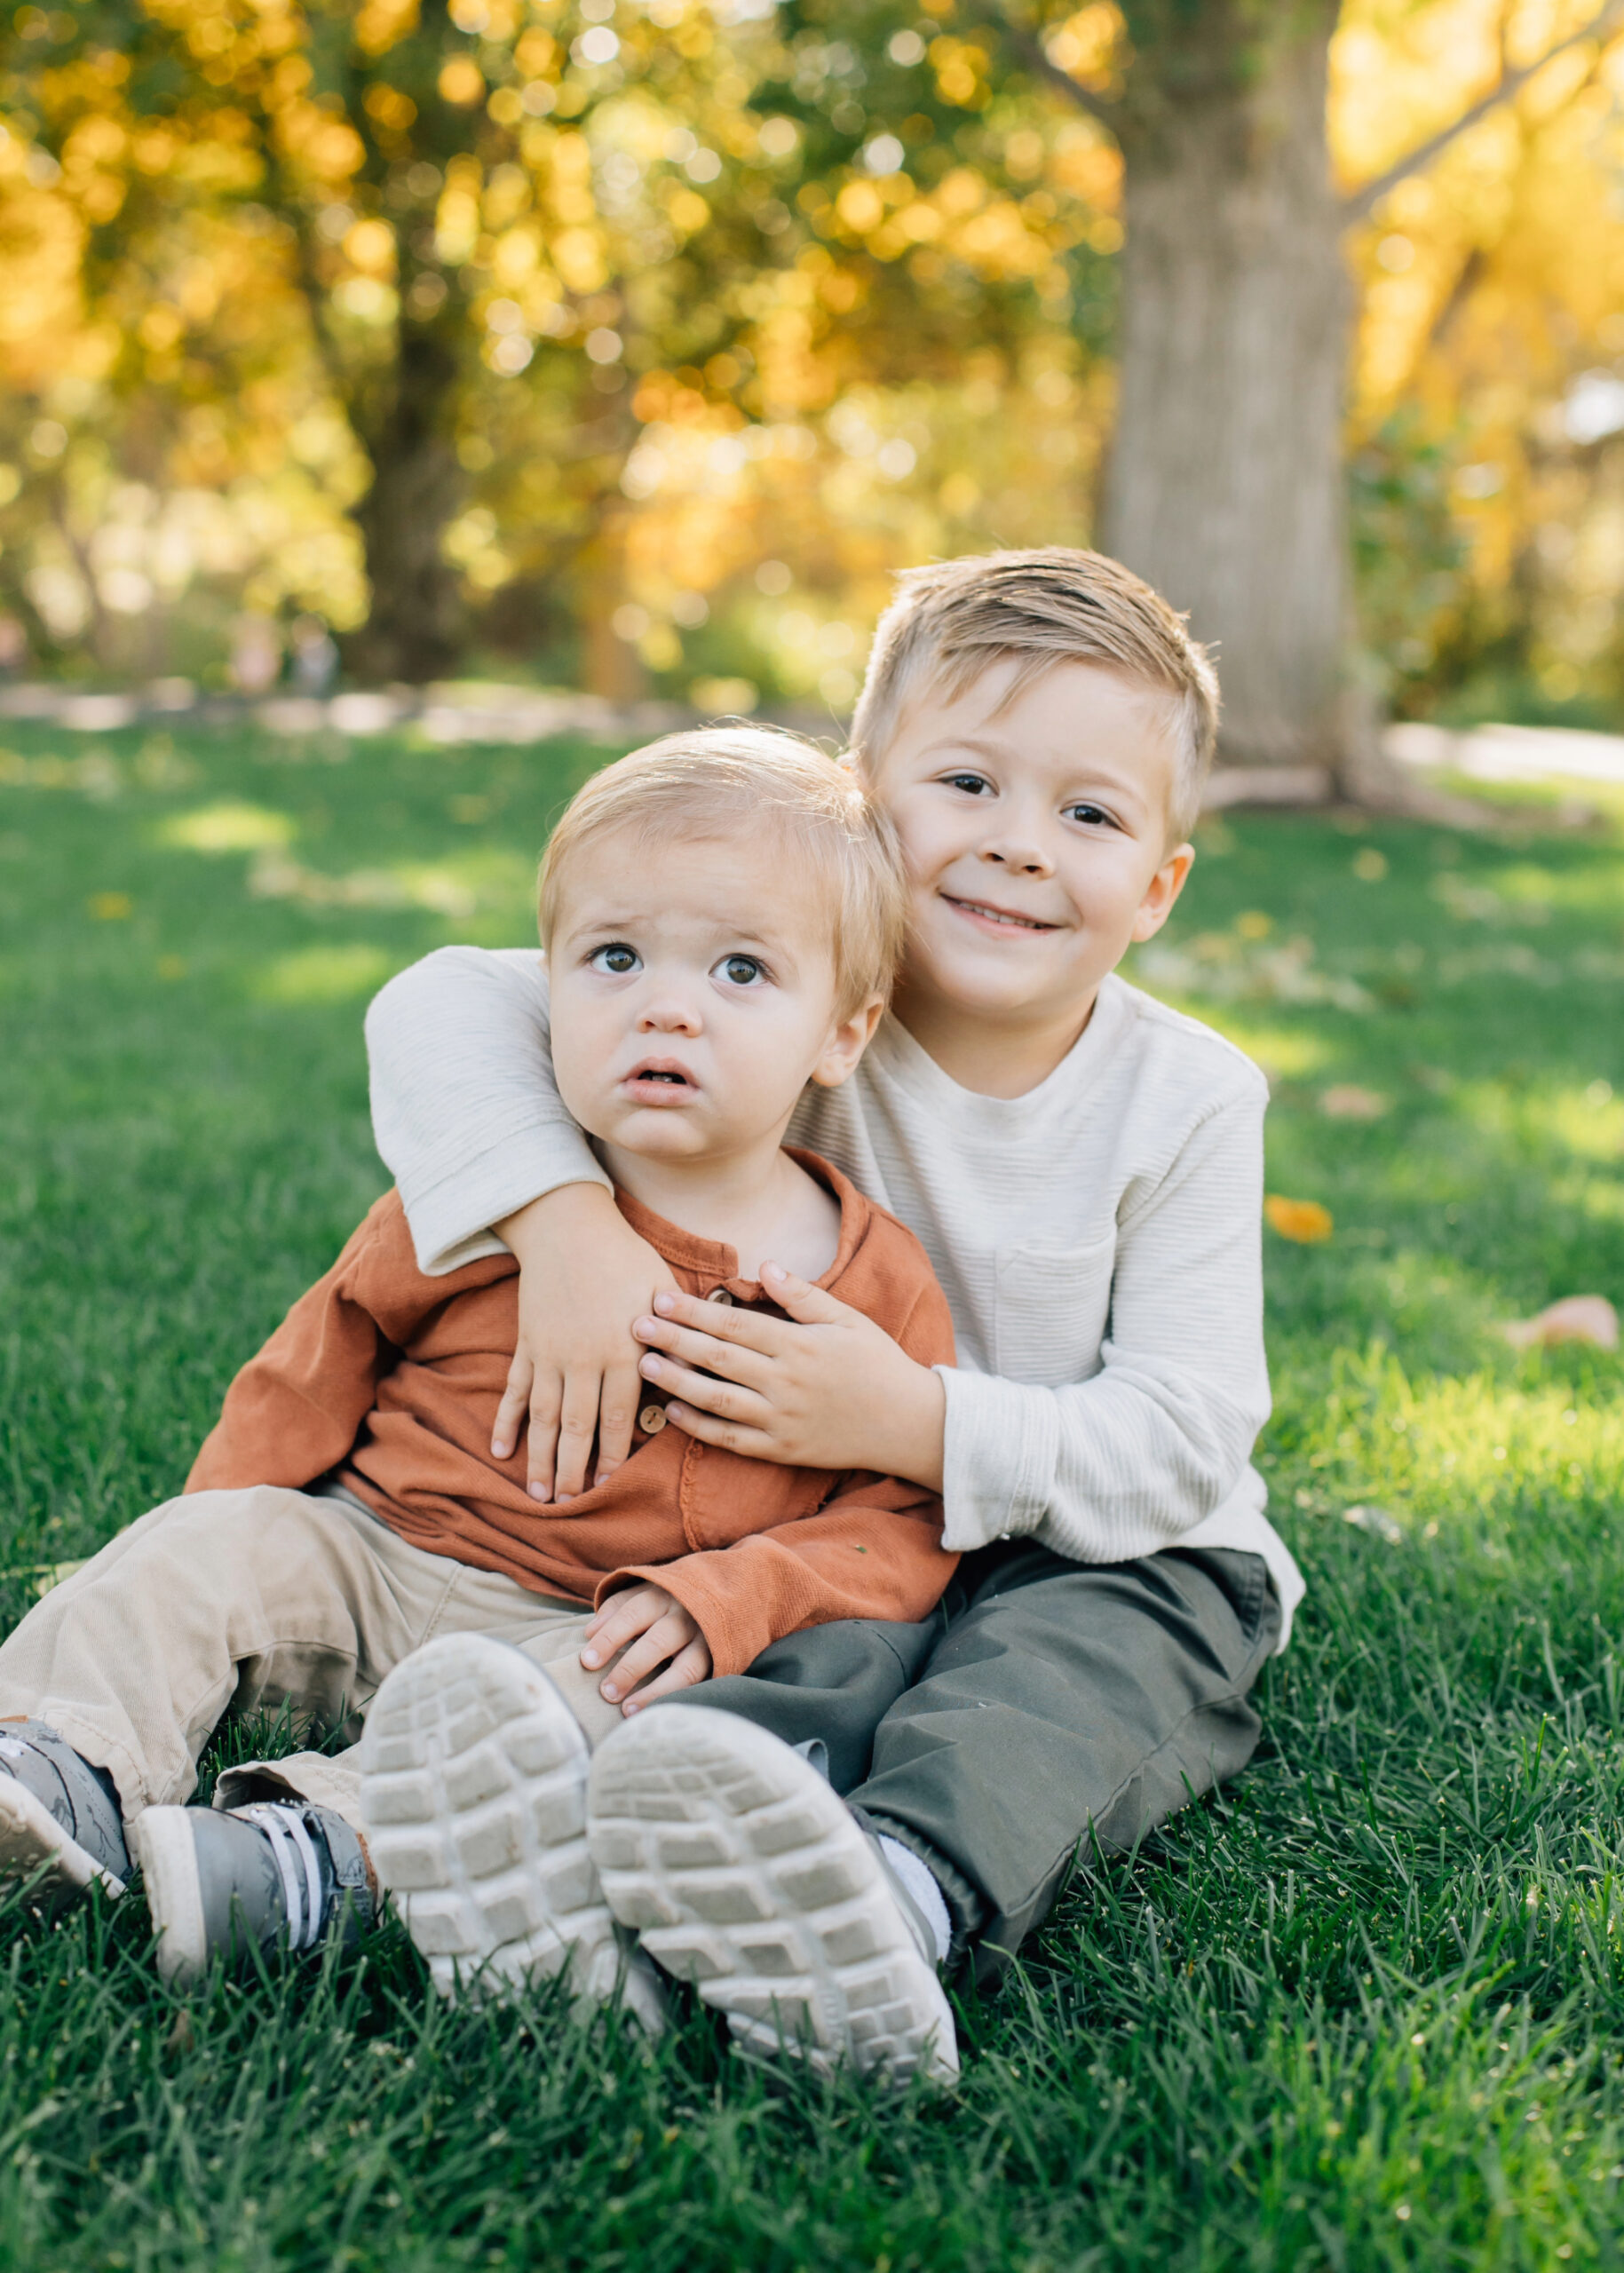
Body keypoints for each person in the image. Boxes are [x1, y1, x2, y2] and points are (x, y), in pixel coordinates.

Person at [364, 546, 1308, 2084]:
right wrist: (566, 1227)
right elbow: (436, 1004)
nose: (1016, 848)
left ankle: (890, 1893)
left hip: (1123, 1544)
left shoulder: (1186, 1099)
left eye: (1085, 813)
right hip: (834, 1531)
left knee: (1054, 1684)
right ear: (862, 799)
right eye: (966, 784)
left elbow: (1188, 1438)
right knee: (762, 1660)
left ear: (1156, 884)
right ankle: (560, 1883)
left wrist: (911, 1422)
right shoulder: (777, 1004)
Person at [0, 728, 962, 2077]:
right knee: (195, 1557)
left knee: (609, 1713)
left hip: (578, 1633)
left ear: (841, 1033)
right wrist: (217, 1522)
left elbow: (899, 1525)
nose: (666, 1007)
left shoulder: (870, 1283)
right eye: (613, 959)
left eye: (741, 971)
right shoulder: (489, 1195)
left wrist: (724, 1601)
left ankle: (309, 1852)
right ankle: (56, 1763)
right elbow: (321, 1352)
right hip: (375, 1556)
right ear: (548, 986)